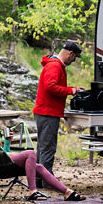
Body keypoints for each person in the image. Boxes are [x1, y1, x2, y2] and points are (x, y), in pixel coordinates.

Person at [0, 110, 85, 201]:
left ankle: (67, 192)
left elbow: (4, 152)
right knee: (30, 153)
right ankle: (32, 191)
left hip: (4, 163)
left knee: (38, 167)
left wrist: (7, 141)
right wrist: (3, 154)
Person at [32, 40, 84, 188]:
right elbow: (50, 87)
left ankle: (39, 180)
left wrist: (71, 89)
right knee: (47, 148)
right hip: (48, 113)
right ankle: (47, 181)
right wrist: (71, 90)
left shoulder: (54, 64)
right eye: (74, 57)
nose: (74, 61)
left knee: (43, 147)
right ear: (70, 53)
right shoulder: (55, 66)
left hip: (45, 111)